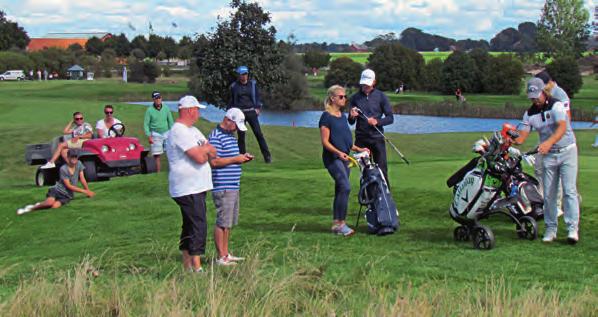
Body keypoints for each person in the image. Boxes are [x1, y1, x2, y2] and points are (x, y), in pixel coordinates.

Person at [515, 78, 580, 244]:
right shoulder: (530, 113)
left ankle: (572, 229)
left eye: (537, 96)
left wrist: (548, 143)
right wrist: (509, 138)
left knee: (569, 191)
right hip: (549, 156)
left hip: (567, 152)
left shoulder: (556, 105)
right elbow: (521, 136)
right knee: (549, 195)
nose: (535, 100)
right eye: (531, 97)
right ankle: (551, 230)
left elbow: (562, 127)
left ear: (544, 92)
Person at [165, 95, 217, 273]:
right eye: (196, 110)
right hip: (187, 186)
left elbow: (211, 151)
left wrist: (204, 150)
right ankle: (196, 266)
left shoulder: (194, 131)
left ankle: (187, 264)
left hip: (198, 185)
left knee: (189, 224)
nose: (198, 114)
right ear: (188, 110)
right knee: (198, 224)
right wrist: (204, 150)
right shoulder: (179, 131)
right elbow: (200, 157)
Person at [321, 85, 369, 236]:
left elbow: (346, 141)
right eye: (341, 97)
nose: (344, 99)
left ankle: (337, 224)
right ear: (332, 98)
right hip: (333, 158)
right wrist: (338, 152)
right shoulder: (326, 117)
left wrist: (359, 149)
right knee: (345, 187)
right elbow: (325, 142)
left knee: (340, 189)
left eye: (345, 96)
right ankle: (341, 224)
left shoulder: (341, 116)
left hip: (345, 158)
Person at [208, 108, 254, 266]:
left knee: (228, 223)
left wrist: (242, 158)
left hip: (233, 184)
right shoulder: (215, 137)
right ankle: (221, 257)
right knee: (222, 222)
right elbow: (214, 162)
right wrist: (236, 159)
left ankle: (226, 254)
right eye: (236, 125)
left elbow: (230, 157)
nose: (236, 129)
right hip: (222, 185)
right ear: (229, 120)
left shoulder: (230, 135)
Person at [533, 71, 571, 215]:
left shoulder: (560, 95)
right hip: (545, 138)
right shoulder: (545, 95)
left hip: (557, 140)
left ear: (548, 83)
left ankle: (556, 206)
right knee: (539, 168)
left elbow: (566, 120)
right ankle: (543, 201)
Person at [348, 69, 394, 187]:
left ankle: (385, 199)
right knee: (364, 172)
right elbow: (351, 122)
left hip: (377, 138)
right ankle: (367, 199)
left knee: (382, 171)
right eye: (363, 84)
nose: (365, 86)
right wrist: (352, 116)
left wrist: (377, 121)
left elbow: (390, 118)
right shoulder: (355, 98)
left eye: (367, 84)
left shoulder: (381, 96)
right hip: (361, 140)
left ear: (374, 82)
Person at [17, 149, 95, 215]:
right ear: (68, 157)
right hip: (57, 190)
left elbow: (82, 179)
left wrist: (88, 190)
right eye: (72, 157)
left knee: (54, 207)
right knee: (49, 203)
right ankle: (30, 208)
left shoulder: (79, 164)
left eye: (75, 157)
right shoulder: (63, 169)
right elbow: (69, 186)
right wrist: (84, 191)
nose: (74, 159)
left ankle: (41, 204)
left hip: (67, 195)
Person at [228, 65, 272, 163]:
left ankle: (267, 157)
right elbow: (232, 101)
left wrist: (258, 108)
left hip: (251, 112)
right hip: (240, 113)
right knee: (241, 136)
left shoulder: (252, 85)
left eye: (245, 74)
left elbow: (258, 97)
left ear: (247, 74)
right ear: (238, 75)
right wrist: (231, 112)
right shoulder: (234, 86)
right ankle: (242, 157)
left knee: (258, 134)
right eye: (242, 74)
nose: (244, 76)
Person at [144, 91, 174, 172]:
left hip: (167, 132)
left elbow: (170, 121)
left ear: (161, 98)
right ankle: (158, 173)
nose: (158, 100)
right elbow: (146, 124)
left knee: (171, 153)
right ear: (153, 100)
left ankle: (172, 171)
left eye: (159, 98)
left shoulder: (166, 108)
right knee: (157, 155)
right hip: (155, 133)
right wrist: (149, 136)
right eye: (156, 98)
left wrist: (173, 133)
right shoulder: (149, 110)